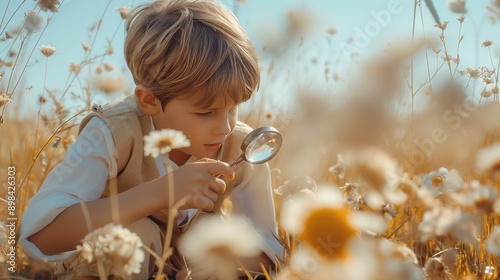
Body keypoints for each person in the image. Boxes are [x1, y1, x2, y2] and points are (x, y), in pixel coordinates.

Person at [20, 0, 282, 278]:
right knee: (136, 235)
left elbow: (267, 247)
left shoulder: (241, 147)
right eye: (205, 112)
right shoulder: (113, 132)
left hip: (185, 267)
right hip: (110, 264)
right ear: (148, 100)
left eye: (233, 108)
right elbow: (41, 236)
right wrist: (162, 192)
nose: (225, 128)